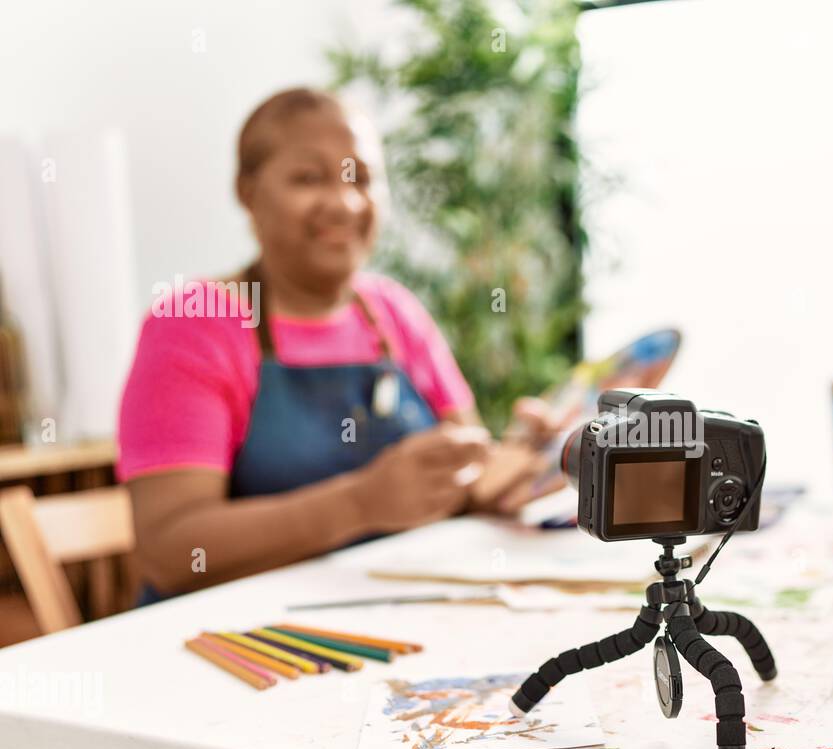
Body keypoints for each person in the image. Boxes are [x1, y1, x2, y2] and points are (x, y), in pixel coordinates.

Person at [117, 88, 554, 600]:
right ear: (247, 191)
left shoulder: (395, 313)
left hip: (393, 617)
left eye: (361, 179)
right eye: (308, 178)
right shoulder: (195, 322)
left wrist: (529, 460)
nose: (345, 203)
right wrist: (360, 504)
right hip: (242, 646)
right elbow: (170, 552)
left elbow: (467, 477)